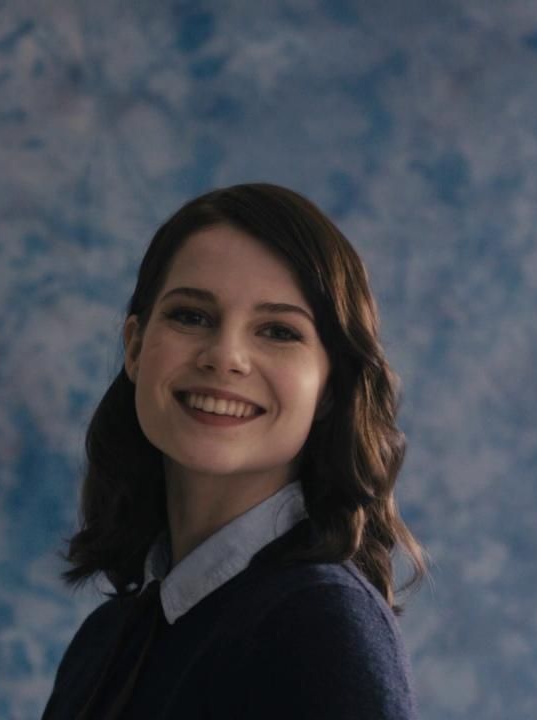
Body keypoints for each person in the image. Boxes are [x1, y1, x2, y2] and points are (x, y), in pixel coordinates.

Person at [41, 183, 427, 719]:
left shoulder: (321, 629)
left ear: (330, 388)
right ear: (134, 348)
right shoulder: (108, 638)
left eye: (277, 330)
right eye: (191, 316)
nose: (225, 357)